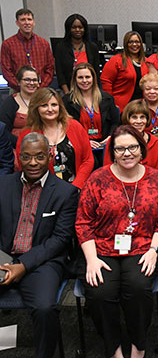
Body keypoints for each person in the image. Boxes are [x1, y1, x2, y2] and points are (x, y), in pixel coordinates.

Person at [76, 125, 158, 358]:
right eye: (120, 149)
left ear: (141, 150)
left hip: (142, 248)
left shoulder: (157, 178)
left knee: (138, 289)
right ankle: (114, 348)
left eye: (132, 147)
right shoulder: (98, 179)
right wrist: (91, 259)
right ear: (113, 152)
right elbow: (83, 222)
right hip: (102, 249)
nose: (127, 153)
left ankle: (138, 346)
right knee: (100, 293)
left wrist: (154, 250)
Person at [0, 132, 78, 358]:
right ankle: (5, 341)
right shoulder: (3, 185)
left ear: (50, 157)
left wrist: (23, 265)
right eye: (26, 157)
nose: (32, 163)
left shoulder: (66, 193)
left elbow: (61, 239)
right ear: (18, 157)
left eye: (39, 157)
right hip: (4, 256)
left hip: (42, 261)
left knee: (45, 309)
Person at [16, 87, 94, 189]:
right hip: (43, 191)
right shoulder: (26, 134)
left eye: (54, 105)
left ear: (60, 107)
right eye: (44, 105)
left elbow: (88, 159)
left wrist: (76, 187)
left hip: (76, 189)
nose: (50, 109)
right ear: (36, 108)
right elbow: (24, 165)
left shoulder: (75, 126)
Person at [62, 63, 120, 168]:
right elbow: (66, 126)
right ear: (75, 80)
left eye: (87, 77)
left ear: (93, 78)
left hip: (105, 144)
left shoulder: (107, 98)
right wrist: (85, 142)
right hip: (80, 145)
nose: (84, 81)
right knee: (93, 163)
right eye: (80, 77)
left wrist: (110, 137)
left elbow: (115, 122)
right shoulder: (67, 101)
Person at [0, 8, 54, 92]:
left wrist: (41, 87)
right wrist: (21, 87)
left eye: (29, 19)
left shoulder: (44, 43)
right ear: (17, 23)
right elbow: (6, 71)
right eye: (23, 20)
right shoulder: (8, 44)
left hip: (41, 89)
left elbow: (50, 68)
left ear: (34, 22)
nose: (27, 23)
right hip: (18, 90)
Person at [103, 99, 158, 171]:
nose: (139, 121)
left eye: (142, 117)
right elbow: (107, 171)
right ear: (127, 119)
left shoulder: (155, 142)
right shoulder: (114, 140)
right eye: (134, 117)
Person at [101, 31, 148, 112]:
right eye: (130, 42)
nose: (134, 45)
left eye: (137, 42)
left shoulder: (147, 62)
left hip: (141, 106)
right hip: (120, 106)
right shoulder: (116, 60)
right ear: (126, 44)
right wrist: (110, 103)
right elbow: (106, 81)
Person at [54, 13, 101, 94]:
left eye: (80, 27)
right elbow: (60, 73)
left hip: (89, 90)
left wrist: (95, 91)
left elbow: (96, 72)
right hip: (68, 90)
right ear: (68, 29)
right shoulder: (61, 47)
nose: (77, 30)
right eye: (74, 27)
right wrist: (67, 94)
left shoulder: (92, 47)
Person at [0, 65, 40, 148]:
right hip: (16, 147)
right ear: (18, 82)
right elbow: (3, 131)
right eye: (27, 80)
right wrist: (22, 143)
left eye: (34, 80)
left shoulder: (44, 100)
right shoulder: (10, 102)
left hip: (42, 146)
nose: (31, 83)